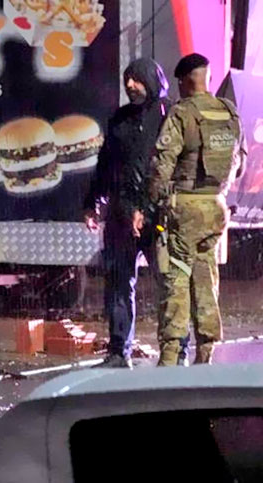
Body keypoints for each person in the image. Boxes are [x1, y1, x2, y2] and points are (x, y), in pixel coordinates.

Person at [84, 57, 186, 368]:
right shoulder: (120, 119)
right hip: (119, 216)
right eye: (127, 79)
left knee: (169, 283)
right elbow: (106, 166)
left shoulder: (171, 116)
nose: (130, 85)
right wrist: (92, 203)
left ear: (152, 81)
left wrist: (147, 207)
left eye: (136, 79)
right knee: (117, 281)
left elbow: (167, 169)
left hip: (158, 218)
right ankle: (118, 351)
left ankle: (177, 350)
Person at [147, 53, 246, 366]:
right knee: (207, 279)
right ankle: (206, 353)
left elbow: (162, 163)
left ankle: (170, 356)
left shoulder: (181, 113)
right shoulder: (228, 111)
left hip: (185, 207)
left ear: (183, 80)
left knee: (176, 278)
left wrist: (157, 201)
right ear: (208, 76)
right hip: (216, 206)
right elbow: (238, 163)